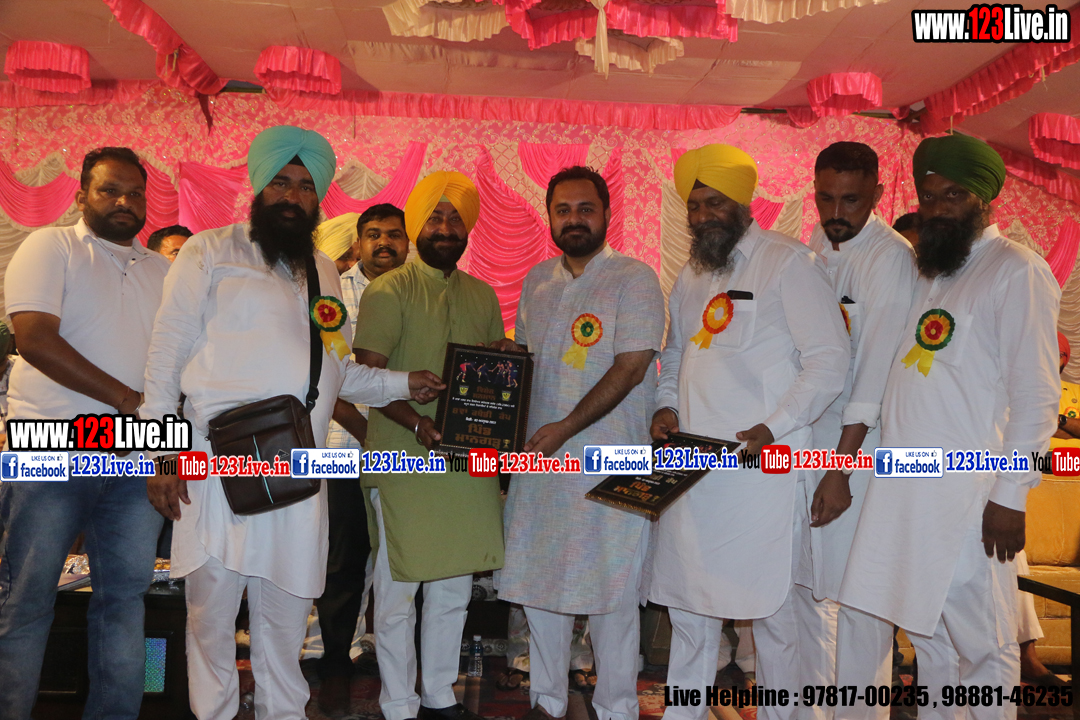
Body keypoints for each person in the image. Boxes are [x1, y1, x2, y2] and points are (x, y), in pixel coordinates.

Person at [141, 125, 444, 720]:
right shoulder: (210, 252)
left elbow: (338, 370)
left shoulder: (324, 271)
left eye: (306, 186)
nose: (293, 195)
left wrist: (405, 383)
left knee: (285, 621)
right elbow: (164, 356)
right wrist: (158, 453)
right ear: (259, 187)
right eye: (281, 182)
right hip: (213, 464)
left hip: (296, 467)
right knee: (211, 619)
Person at [838, 134, 1060, 719]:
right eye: (929, 195)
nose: (937, 208)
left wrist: (1010, 496)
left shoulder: (1016, 270)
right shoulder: (933, 273)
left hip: (970, 495)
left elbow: (1037, 395)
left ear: (985, 199)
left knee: (983, 643)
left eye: (953, 195)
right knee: (929, 637)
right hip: (906, 489)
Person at [649, 144, 849, 720]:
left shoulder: (789, 263)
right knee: (690, 610)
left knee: (773, 615)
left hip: (763, 472)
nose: (703, 215)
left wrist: (774, 426)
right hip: (691, 469)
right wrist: (666, 406)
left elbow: (829, 362)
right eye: (695, 206)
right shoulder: (691, 274)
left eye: (715, 203)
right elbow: (676, 351)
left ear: (743, 202)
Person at [0, 146, 168, 720]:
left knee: (125, 603)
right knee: (26, 600)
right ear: (81, 197)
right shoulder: (50, 247)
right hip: (51, 446)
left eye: (135, 192)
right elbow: (33, 339)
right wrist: (126, 401)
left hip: (136, 454)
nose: (125, 201)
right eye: (109, 190)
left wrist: (166, 449)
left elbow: (169, 371)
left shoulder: (163, 271)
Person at [496, 166, 665, 720]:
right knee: (540, 585)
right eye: (563, 210)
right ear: (549, 217)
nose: (574, 219)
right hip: (541, 464)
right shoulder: (537, 280)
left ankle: (616, 707)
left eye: (585, 209)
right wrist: (505, 363)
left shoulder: (634, 278)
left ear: (607, 214)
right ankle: (547, 701)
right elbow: (531, 361)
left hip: (610, 460)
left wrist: (567, 427)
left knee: (612, 592)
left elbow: (632, 366)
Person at [353, 171, 506, 720]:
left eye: (456, 219)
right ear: (418, 224)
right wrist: (417, 423)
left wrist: (507, 363)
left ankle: (439, 695)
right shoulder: (388, 289)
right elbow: (366, 379)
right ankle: (399, 702)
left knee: (454, 587)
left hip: (466, 463)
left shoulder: (482, 294)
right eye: (436, 217)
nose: (445, 228)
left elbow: (492, 378)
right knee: (398, 589)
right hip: (401, 456)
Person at [800, 142, 917, 717]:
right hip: (808, 443)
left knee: (860, 600)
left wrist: (840, 471)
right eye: (826, 198)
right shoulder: (816, 244)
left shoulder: (890, 259)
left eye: (850, 199)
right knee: (808, 592)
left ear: (878, 192)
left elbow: (871, 374)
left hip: (859, 454)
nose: (836, 212)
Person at [314, 203, 409, 716]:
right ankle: (334, 663)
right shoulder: (332, 294)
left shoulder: (418, 291)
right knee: (344, 562)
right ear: (359, 242)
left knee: (398, 559)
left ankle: (392, 663)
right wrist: (370, 434)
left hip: (407, 451)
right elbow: (328, 376)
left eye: (394, 234)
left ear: (407, 242)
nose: (384, 243)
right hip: (343, 450)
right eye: (374, 234)